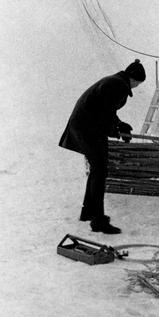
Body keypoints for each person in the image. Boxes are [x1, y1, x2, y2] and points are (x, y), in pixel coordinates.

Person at [59, 59, 146, 234]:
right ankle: (98, 220)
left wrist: (119, 125)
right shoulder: (118, 85)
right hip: (87, 128)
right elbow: (104, 112)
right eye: (138, 83)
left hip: (86, 126)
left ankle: (89, 212)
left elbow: (107, 110)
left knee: (97, 170)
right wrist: (117, 129)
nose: (137, 86)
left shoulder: (114, 82)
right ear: (133, 79)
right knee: (99, 170)